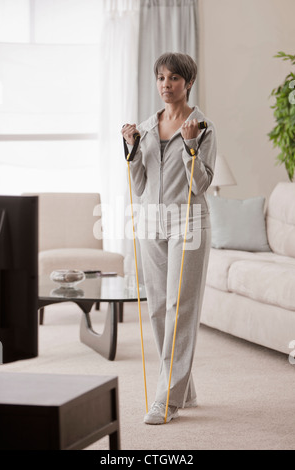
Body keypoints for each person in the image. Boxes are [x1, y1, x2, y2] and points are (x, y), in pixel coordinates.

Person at [122, 52, 217, 425]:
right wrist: (131, 150)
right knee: (160, 308)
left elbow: (202, 184)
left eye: (174, 78)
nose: (166, 85)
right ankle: (185, 387)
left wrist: (191, 146)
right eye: (161, 78)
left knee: (181, 309)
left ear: (188, 82)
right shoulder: (146, 127)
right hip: (151, 222)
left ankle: (167, 399)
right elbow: (141, 185)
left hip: (189, 223)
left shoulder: (203, 126)